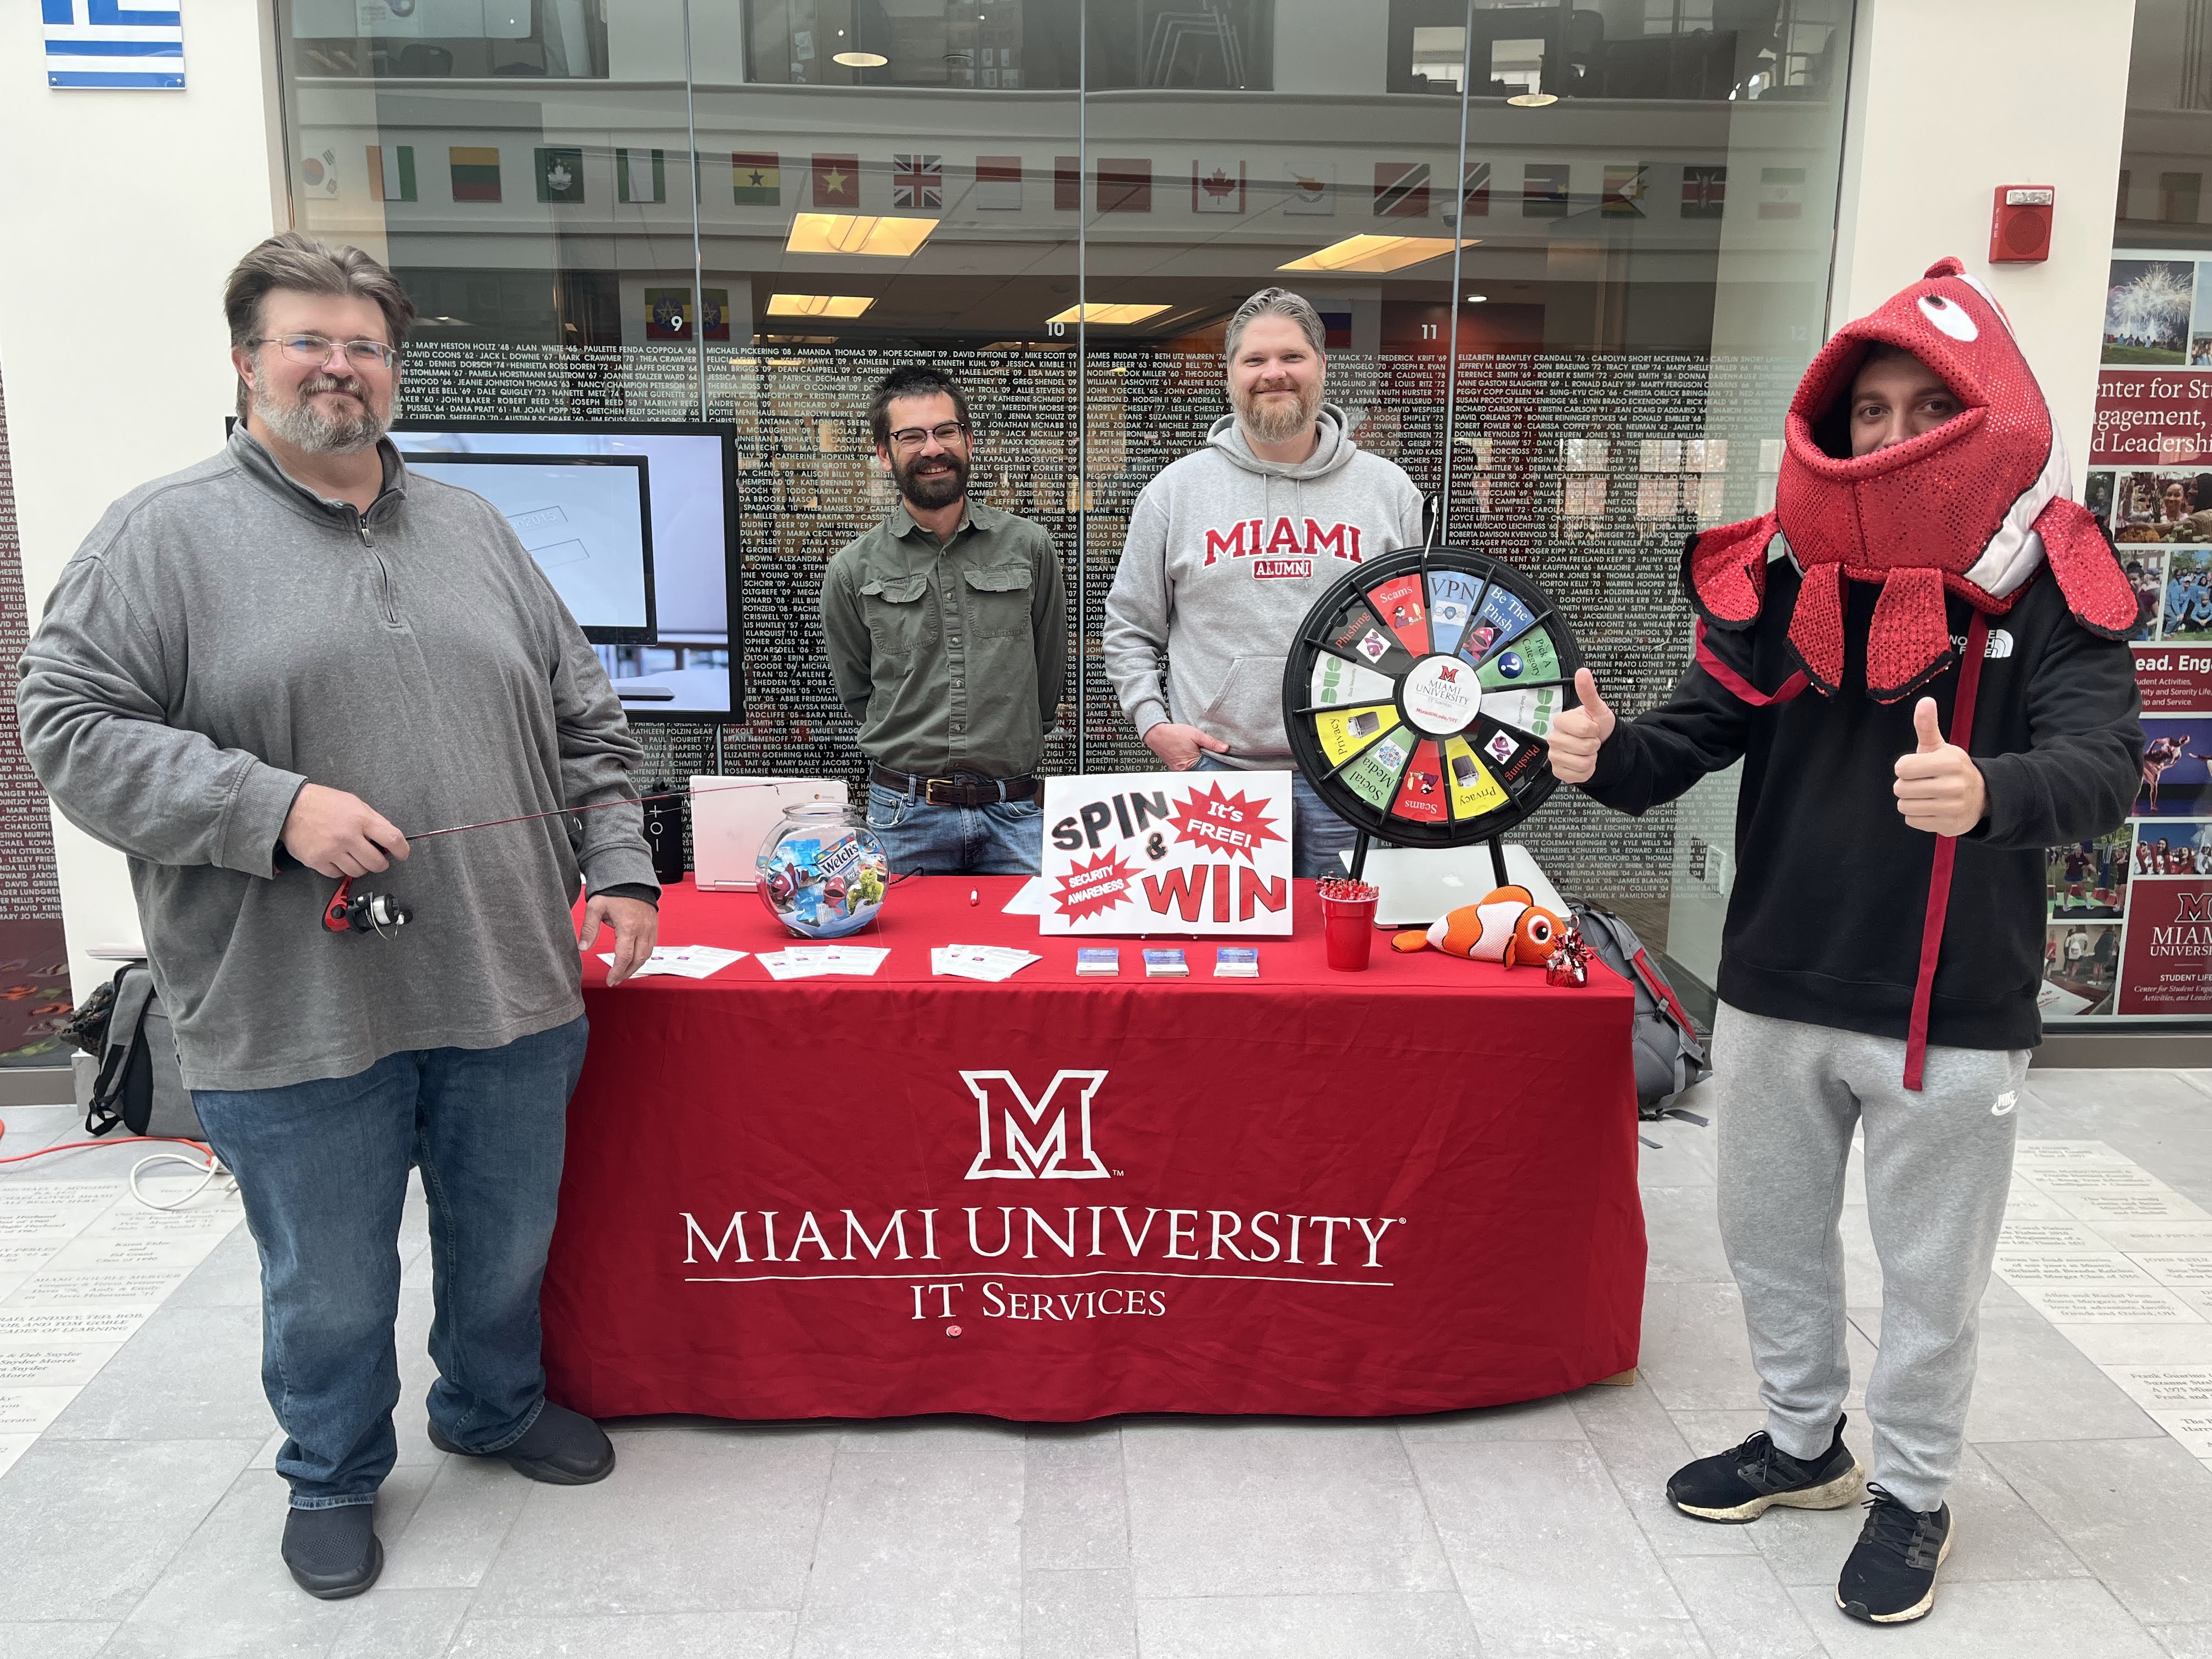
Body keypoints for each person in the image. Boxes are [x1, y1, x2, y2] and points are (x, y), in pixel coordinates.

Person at [16, 233, 661, 1600]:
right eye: (308, 341)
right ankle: (333, 1470)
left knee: (506, 1239)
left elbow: (586, 719)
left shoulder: (477, 530)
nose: (340, 367)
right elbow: (66, 730)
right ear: (247, 362)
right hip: (289, 1001)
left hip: (505, 979)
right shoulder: (159, 535)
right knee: (330, 1281)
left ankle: (488, 1408)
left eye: (366, 345)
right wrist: (271, 806)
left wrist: (616, 867)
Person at [1545, 259, 2141, 1627]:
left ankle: (1916, 1496)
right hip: (1777, 981)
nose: (1888, 435)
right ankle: (1804, 1447)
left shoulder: (2046, 573)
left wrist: (1995, 792)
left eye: (1923, 405)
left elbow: (2108, 765)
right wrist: (1601, 755)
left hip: (1954, 1000)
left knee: (1931, 1281)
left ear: (1981, 409)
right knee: (1770, 1241)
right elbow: (1695, 733)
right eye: (1867, 410)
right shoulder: (1784, 568)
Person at [1102, 287, 1425, 878]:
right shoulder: (1175, 494)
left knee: (1344, 958)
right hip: (1219, 780)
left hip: (1355, 779)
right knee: (1225, 963)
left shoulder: (1389, 492)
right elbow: (1130, 628)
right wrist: (1154, 725)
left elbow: (1421, 638)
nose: (1274, 374)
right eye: (1254, 360)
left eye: (1292, 357)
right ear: (1231, 374)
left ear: (1321, 368)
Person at [820, 365, 1067, 876]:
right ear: (885, 454)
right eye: (912, 436)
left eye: (945, 431)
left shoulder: (1030, 547)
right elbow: (858, 691)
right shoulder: (852, 569)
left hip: (1016, 815)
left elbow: (1048, 670)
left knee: (1038, 953)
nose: (932, 449)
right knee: (895, 955)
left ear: (968, 441)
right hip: (904, 817)